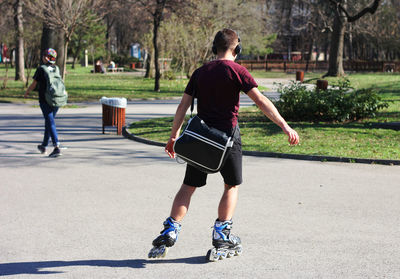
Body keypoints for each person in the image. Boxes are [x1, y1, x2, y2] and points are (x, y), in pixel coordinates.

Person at [148, 28, 299, 260]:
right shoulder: (238, 71)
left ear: (213, 48)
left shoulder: (200, 72)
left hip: (201, 139)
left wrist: (173, 137)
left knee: (188, 186)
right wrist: (285, 126)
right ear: (237, 49)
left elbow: (182, 106)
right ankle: (222, 235)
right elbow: (261, 101)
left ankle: (170, 230)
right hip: (228, 139)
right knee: (231, 186)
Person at [24, 48, 62, 157]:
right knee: (49, 123)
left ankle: (56, 147)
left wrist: (27, 92)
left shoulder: (41, 69)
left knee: (50, 123)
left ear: (46, 57)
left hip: (45, 100)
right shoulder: (56, 68)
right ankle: (44, 146)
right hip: (56, 99)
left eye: (44, 55)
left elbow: (34, 84)